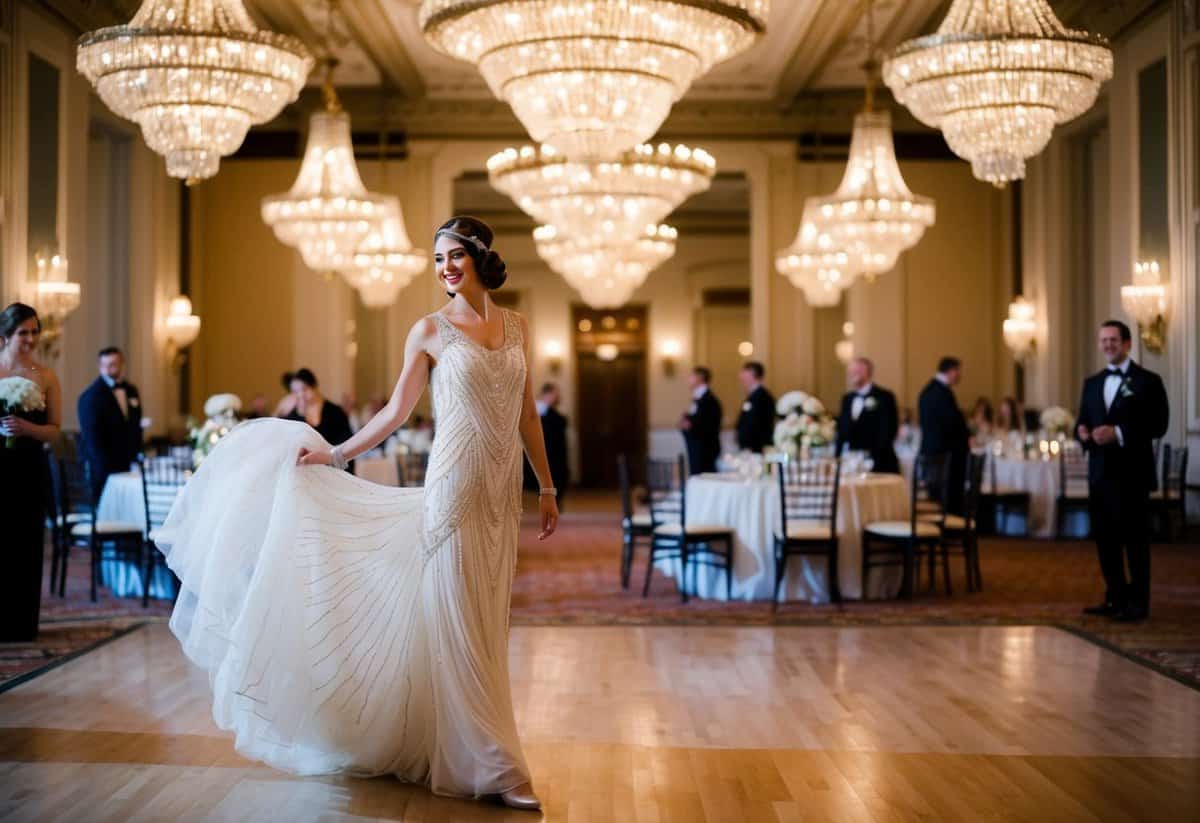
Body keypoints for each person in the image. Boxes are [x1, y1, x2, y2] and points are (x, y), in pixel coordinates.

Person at [155, 216, 557, 811]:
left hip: (502, 497)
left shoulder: (519, 328)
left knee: (486, 622)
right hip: (452, 487)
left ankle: (460, 744)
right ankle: (493, 763)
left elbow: (528, 418)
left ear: (478, 257)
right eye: (437, 259)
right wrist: (337, 452)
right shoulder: (429, 330)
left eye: (454, 256)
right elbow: (396, 411)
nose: (445, 268)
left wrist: (545, 486)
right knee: (461, 623)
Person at [1075, 320, 1169, 622]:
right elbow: (1083, 421)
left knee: (1135, 542)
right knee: (1106, 541)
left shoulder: (1147, 381)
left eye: (1113, 340)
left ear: (1127, 344)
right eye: (1103, 340)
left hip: (1132, 475)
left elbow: (1159, 424)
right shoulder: (1091, 383)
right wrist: (1083, 434)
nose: (1108, 345)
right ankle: (1115, 597)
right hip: (1100, 475)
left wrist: (1119, 433)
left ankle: (1139, 603)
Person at [0, 304, 62, 641]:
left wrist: (26, 428)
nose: (30, 338)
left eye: (34, 331)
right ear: (4, 337)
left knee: (25, 543)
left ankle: (22, 623)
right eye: (23, 332)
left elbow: (54, 429)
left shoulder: (46, 376)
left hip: (29, 469)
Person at [77, 346, 144, 501]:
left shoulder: (132, 390)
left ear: (122, 364)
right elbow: (92, 440)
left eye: (114, 364)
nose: (111, 368)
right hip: (103, 469)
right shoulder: (90, 397)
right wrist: (106, 471)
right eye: (106, 365)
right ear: (100, 367)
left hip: (129, 464)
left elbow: (135, 425)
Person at [917, 357, 969, 513]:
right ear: (951, 371)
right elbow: (950, 423)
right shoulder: (941, 392)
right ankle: (948, 530)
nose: (960, 375)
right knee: (945, 497)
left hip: (934, 453)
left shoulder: (930, 390)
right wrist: (965, 436)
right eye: (958, 371)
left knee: (938, 495)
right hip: (943, 455)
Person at [835, 357, 899, 474]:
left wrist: (872, 459)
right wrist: (837, 458)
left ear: (866, 372)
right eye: (850, 372)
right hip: (851, 462)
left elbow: (888, 431)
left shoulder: (884, 397)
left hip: (880, 462)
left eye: (856, 372)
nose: (851, 375)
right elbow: (842, 431)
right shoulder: (847, 399)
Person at [282, 369, 354, 467]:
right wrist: (301, 414)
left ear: (314, 386)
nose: (301, 395)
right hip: (306, 470)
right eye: (296, 392)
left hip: (333, 466)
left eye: (305, 389)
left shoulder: (335, 411)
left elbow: (346, 442)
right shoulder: (293, 416)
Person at [680, 366, 722, 474]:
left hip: (704, 452)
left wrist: (689, 424)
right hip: (696, 450)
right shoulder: (698, 398)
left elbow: (706, 425)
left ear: (700, 378)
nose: (688, 379)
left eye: (691, 376)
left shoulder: (709, 400)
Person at [536, 382, 568, 507]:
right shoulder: (541, 411)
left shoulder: (551, 412)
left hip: (556, 454)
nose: (558, 396)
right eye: (555, 393)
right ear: (547, 394)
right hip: (549, 454)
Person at [735, 361, 775, 453]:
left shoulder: (763, 397)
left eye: (745, 376)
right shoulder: (752, 396)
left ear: (753, 375)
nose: (741, 378)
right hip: (749, 447)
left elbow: (759, 424)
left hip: (757, 447)